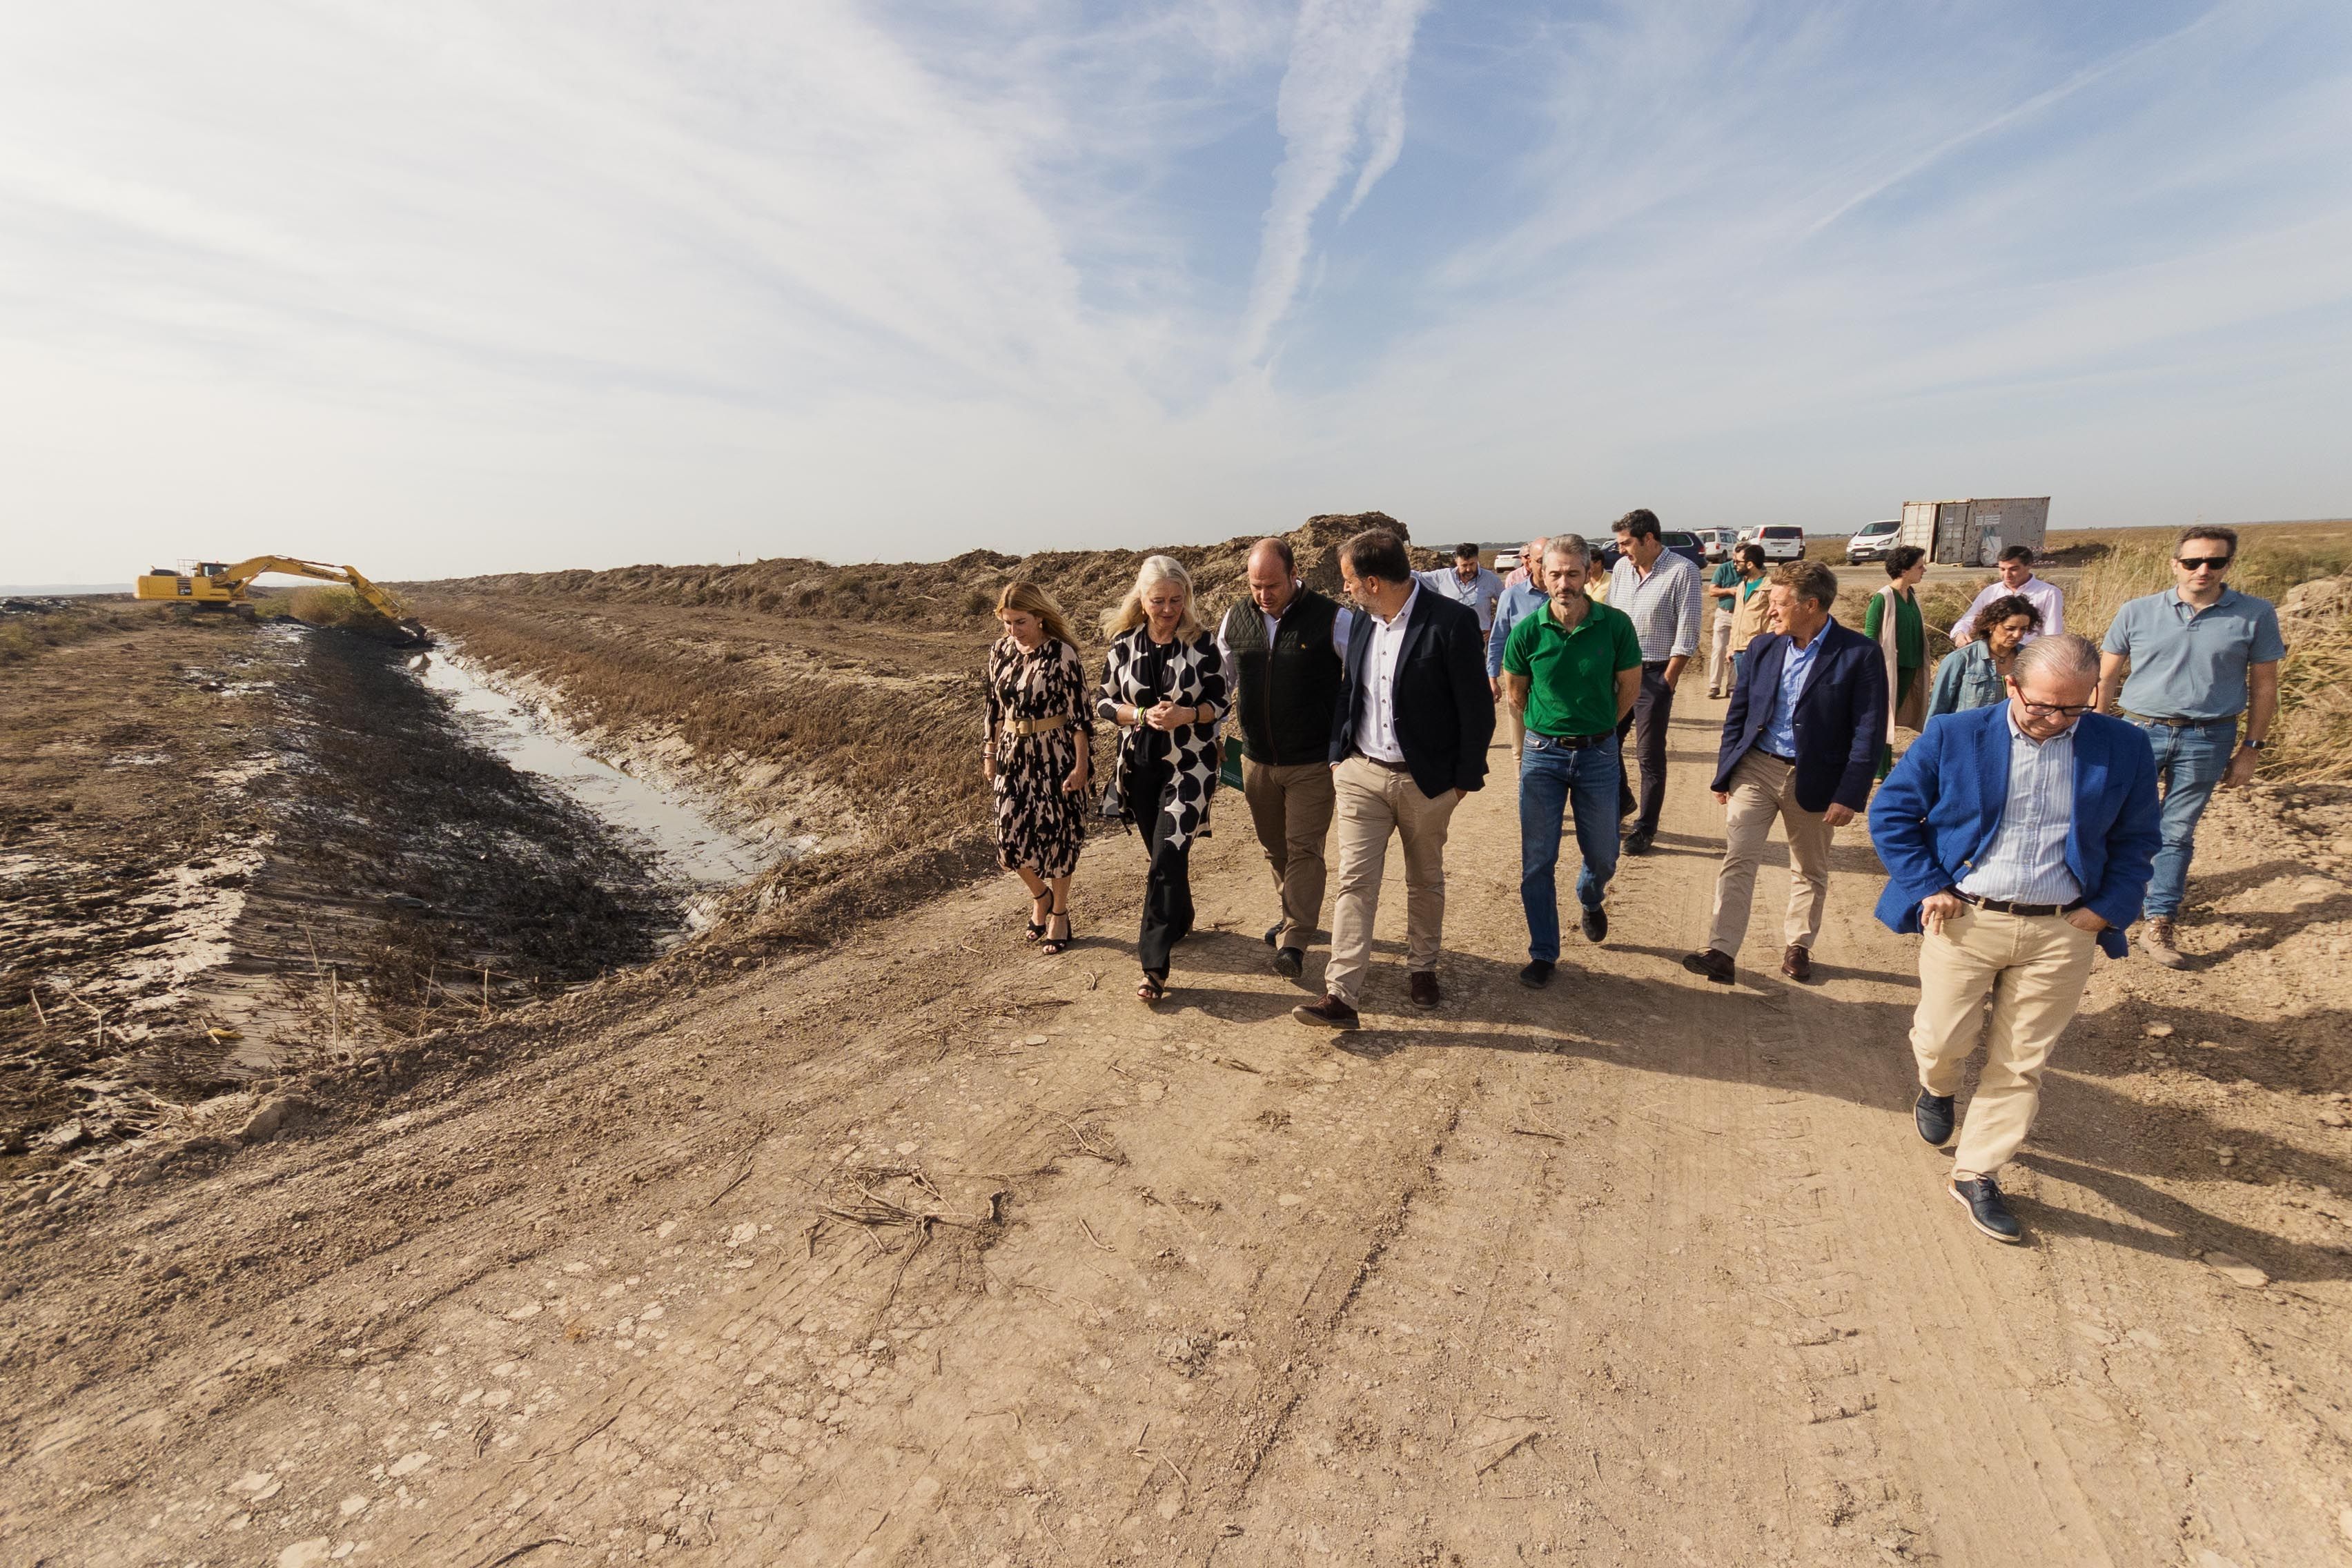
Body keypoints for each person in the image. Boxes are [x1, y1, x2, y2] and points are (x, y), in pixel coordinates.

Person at [1870, 635, 2159, 1243]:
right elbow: (1892, 814)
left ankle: (1976, 1172)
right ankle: (1938, 1087)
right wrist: (1929, 885)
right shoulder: (1954, 734)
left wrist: (2108, 908)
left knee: (2022, 1062)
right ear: (2012, 686)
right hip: (1967, 919)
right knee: (1942, 1038)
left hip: (2063, 928)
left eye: (2074, 708)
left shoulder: (2124, 745)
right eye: (2043, 706)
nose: (2057, 720)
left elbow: (2137, 840)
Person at [1293, 527, 1495, 1029]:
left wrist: (1461, 782)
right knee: (1355, 882)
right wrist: (1338, 756)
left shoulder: (1451, 622)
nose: (1345, 589)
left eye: (1349, 580)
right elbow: (1350, 690)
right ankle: (1341, 995)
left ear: (1374, 582)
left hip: (1426, 783)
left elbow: (1476, 709)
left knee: (1424, 878)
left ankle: (1423, 967)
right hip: (1361, 774)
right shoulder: (1363, 622)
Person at [1683, 561, 1885, 986]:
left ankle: (1799, 945)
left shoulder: (1859, 654)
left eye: (1779, 603)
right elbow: (1739, 715)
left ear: (1811, 605)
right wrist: (1725, 772)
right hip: (1757, 767)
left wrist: (1850, 793)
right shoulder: (1763, 648)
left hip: (1815, 776)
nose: (1771, 611)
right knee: (1738, 858)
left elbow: (1868, 731)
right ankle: (1721, 951)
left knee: (1809, 867)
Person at [2097, 525, 2284, 968]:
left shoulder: (2255, 614)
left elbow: (2264, 686)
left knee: (2177, 830)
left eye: (2215, 561)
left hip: (2208, 736)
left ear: (2228, 565)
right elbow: (2106, 676)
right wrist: (2096, 730)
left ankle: (2159, 919)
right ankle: (2109, 904)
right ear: (2174, 564)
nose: (2203, 569)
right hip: (2138, 731)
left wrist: (2251, 748)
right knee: (2114, 818)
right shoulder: (2137, 611)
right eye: (2193, 561)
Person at [1501, 536, 1642, 988]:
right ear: (1542, 575)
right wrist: (1548, 729)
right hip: (1542, 757)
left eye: (1572, 574)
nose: (1563, 583)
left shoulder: (1615, 626)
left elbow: (1630, 689)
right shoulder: (1527, 632)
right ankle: (1543, 952)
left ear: (1587, 574)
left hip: (1599, 755)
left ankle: (1590, 894)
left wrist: (1598, 730)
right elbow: (1516, 694)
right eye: (1555, 574)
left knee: (1604, 853)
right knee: (1537, 860)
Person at [1215, 538, 1354, 979]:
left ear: (1295, 574)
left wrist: (1347, 743)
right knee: (1274, 847)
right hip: (1256, 759)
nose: (1263, 595)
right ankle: (1291, 912)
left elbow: (1362, 682)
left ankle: (1294, 940)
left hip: (1312, 761)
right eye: (1256, 586)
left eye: (1272, 585)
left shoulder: (1333, 618)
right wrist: (1214, 732)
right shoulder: (1235, 618)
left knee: (1304, 848)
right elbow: (1221, 683)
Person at [1096, 556, 1228, 1006]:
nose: (1168, 609)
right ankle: (1181, 914)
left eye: (1176, 600)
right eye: (1159, 601)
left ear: (1186, 598)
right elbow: (1103, 702)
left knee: (1167, 854)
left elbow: (1221, 703)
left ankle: (1153, 967)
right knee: (1163, 856)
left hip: (1191, 765)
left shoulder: (1202, 643)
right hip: (1140, 767)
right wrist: (1138, 715)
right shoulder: (1123, 644)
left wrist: (1186, 714)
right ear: (1142, 599)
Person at [983, 582, 1094, 954]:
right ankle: (1041, 895)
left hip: (1055, 755)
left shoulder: (1062, 654)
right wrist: (989, 752)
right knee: (1007, 840)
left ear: (1040, 617)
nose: (1014, 630)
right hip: (1012, 755)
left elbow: (1080, 718)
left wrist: (1081, 766)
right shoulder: (1000, 651)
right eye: (1007, 622)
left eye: (1021, 622)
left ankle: (1058, 913)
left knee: (1059, 837)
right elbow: (993, 707)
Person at [1607, 509, 1702, 854]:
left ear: (1649, 539)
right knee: (1605, 742)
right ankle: (1622, 800)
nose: (1621, 550)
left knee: (1648, 755)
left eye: (1626, 543)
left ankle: (1645, 828)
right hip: (1619, 672)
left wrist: (1668, 680)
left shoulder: (1682, 571)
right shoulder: (1621, 569)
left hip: (1654, 674)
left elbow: (1688, 630)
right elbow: (1612, 618)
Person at [1864, 545, 1930, 778]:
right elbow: (1870, 635)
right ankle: (1878, 769)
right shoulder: (1883, 597)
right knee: (1883, 715)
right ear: (1904, 570)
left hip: (1910, 667)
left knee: (1890, 717)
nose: (1924, 570)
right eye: (1919, 566)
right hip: (1887, 668)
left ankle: (1883, 766)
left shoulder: (1911, 595)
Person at [1486, 536, 1549, 761]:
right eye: (1540, 561)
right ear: (1529, 561)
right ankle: (1522, 783)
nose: (1546, 566)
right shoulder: (1512, 596)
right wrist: (1493, 676)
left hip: (1556, 682)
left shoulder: (1567, 595)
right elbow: (1498, 638)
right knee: (1521, 748)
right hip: (1521, 680)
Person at [1928, 595, 2041, 717]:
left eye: (2023, 629)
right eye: (2010, 628)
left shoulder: (2029, 659)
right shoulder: (1962, 659)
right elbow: (1937, 709)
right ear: (1991, 625)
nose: (2017, 635)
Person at [1952, 545, 2064, 645]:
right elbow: (1969, 620)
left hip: (2028, 655)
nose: (2007, 575)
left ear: (2029, 565)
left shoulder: (2049, 593)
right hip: (1993, 654)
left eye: (2013, 569)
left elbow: (2052, 634)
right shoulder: (1990, 592)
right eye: (2002, 569)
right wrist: (1960, 634)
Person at [1415, 542, 1506, 636]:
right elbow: (1417, 577)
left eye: (1472, 564)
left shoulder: (1490, 579)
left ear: (1477, 560)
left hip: (1479, 636)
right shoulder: (1443, 577)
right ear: (1456, 562)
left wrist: (1495, 629)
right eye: (1464, 565)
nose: (1468, 569)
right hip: (1449, 636)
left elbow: (1506, 605)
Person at [1724, 544, 1770, 690]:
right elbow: (1737, 619)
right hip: (1739, 651)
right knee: (1744, 693)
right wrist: (1731, 647)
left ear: (1750, 564)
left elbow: (1776, 619)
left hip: (1759, 650)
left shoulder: (1770, 586)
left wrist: (1768, 645)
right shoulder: (1741, 587)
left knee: (1760, 692)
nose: (1734, 565)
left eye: (1737, 562)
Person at [1703, 549, 1744, 698]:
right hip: (1724, 614)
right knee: (1719, 649)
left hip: (1742, 617)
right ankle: (1714, 685)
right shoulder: (1724, 568)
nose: (1738, 562)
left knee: (1736, 651)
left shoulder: (1751, 570)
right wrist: (1729, 591)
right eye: (1737, 558)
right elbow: (1712, 591)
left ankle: (1732, 686)